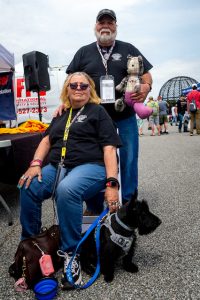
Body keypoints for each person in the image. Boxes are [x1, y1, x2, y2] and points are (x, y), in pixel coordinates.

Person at [17, 72, 121, 290]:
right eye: (74, 84)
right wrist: (36, 163)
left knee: (67, 189)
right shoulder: (61, 113)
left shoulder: (98, 111)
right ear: (67, 88)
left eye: (84, 85)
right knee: (27, 185)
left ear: (90, 89)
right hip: (57, 166)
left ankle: (71, 254)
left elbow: (109, 148)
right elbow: (46, 140)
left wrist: (112, 183)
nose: (79, 88)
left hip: (91, 165)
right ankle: (31, 248)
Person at [58, 9, 153, 208]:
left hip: (125, 114)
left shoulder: (128, 48)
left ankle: (128, 202)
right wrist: (64, 102)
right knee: (95, 158)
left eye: (110, 23)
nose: (106, 26)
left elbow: (147, 75)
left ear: (116, 27)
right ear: (96, 26)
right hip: (95, 117)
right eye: (102, 23)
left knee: (129, 158)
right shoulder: (83, 52)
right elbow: (70, 80)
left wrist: (146, 86)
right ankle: (98, 200)